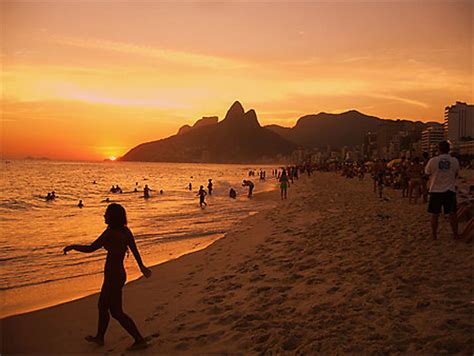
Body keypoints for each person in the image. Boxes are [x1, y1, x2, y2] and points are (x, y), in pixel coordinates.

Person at [63, 204, 151, 350]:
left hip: (113, 276)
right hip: (118, 274)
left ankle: (139, 340)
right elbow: (135, 250)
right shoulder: (125, 231)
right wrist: (141, 267)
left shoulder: (110, 233)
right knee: (103, 306)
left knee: (116, 312)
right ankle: (100, 337)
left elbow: (91, 248)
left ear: (113, 217)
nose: (104, 216)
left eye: (106, 214)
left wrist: (73, 246)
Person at [424, 141, 460, 240]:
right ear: (449, 149)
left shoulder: (433, 160)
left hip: (436, 190)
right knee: (452, 214)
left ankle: (434, 235)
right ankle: (455, 234)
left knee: (435, 214)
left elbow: (427, 173)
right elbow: (456, 174)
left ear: (438, 149)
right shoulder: (454, 160)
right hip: (450, 190)